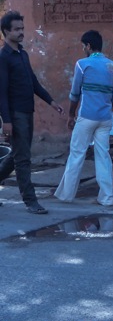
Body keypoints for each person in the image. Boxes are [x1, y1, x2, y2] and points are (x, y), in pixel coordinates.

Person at [0, 11, 63, 214]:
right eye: (16, 29)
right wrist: (6, 120)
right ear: (5, 32)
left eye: (22, 29)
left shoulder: (23, 54)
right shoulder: (3, 57)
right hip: (15, 114)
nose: (21, 32)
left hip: (27, 111)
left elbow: (33, 82)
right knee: (23, 159)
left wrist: (51, 101)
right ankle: (30, 201)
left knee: (17, 156)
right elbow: (1, 91)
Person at [55, 30, 113, 206]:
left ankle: (66, 195)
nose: (83, 49)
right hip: (105, 118)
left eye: (83, 46)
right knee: (103, 156)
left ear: (89, 46)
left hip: (86, 117)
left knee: (77, 154)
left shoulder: (82, 65)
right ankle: (107, 198)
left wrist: (71, 115)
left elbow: (75, 94)